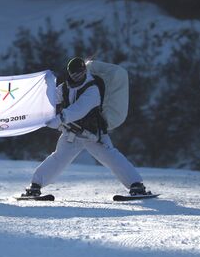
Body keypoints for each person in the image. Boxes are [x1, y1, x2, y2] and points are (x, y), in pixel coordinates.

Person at [22, 57, 150, 198]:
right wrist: (47, 87)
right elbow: (52, 99)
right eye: (73, 73)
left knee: (111, 158)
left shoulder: (92, 89)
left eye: (80, 72)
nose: (76, 76)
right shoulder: (65, 87)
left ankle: (136, 185)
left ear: (85, 71)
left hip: (92, 134)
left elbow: (80, 108)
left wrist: (60, 119)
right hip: (71, 134)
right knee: (58, 158)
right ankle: (35, 186)